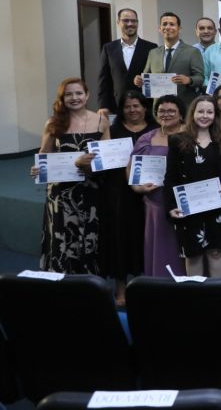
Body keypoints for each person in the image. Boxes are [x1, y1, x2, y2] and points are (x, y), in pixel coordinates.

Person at [33, 78, 109, 274]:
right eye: (68, 94)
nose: (74, 98)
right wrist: (37, 168)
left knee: (89, 239)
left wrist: (90, 167)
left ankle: (88, 289)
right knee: (61, 240)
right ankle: (60, 290)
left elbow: (107, 160)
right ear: (62, 98)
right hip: (60, 194)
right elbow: (44, 155)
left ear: (87, 95)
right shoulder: (53, 122)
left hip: (90, 190)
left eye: (79, 93)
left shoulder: (101, 121)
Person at [165, 95, 221, 277]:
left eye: (209, 112)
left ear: (215, 115)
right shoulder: (177, 140)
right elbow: (170, 177)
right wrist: (171, 206)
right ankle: (196, 300)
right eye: (200, 111)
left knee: (216, 252)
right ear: (192, 113)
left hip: (216, 207)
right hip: (189, 207)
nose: (205, 115)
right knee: (193, 254)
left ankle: (217, 297)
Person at [100, 91, 157, 304]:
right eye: (128, 106)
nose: (133, 110)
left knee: (147, 239)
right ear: (121, 110)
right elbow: (103, 163)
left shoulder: (156, 130)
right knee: (121, 240)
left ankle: (146, 286)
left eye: (137, 106)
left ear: (145, 108)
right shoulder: (112, 132)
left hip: (151, 193)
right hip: (119, 193)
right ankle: (121, 290)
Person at [130, 95, 187, 277]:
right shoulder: (147, 139)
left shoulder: (191, 135)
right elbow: (132, 168)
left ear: (181, 114)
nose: (166, 114)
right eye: (162, 111)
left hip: (184, 200)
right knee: (161, 247)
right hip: (155, 202)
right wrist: (138, 188)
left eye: (171, 111)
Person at [135, 12, 204, 110]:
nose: (167, 27)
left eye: (172, 24)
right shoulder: (153, 53)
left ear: (179, 28)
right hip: (159, 108)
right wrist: (139, 80)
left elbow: (200, 78)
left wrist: (189, 80)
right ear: (160, 29)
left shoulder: (192, 51)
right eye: (164, 24)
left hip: (184, 107)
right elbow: (146, 76)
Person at [97, 8, 157, 116]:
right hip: (117, 106)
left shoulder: (151, 48)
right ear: (118, 22)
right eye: (125, 20)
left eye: (133, 21)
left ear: (137, 23)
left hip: (144, 106)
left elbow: (157, 76)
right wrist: (103, 105)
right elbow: (104, 80)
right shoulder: (108, 48)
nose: (130, 24)